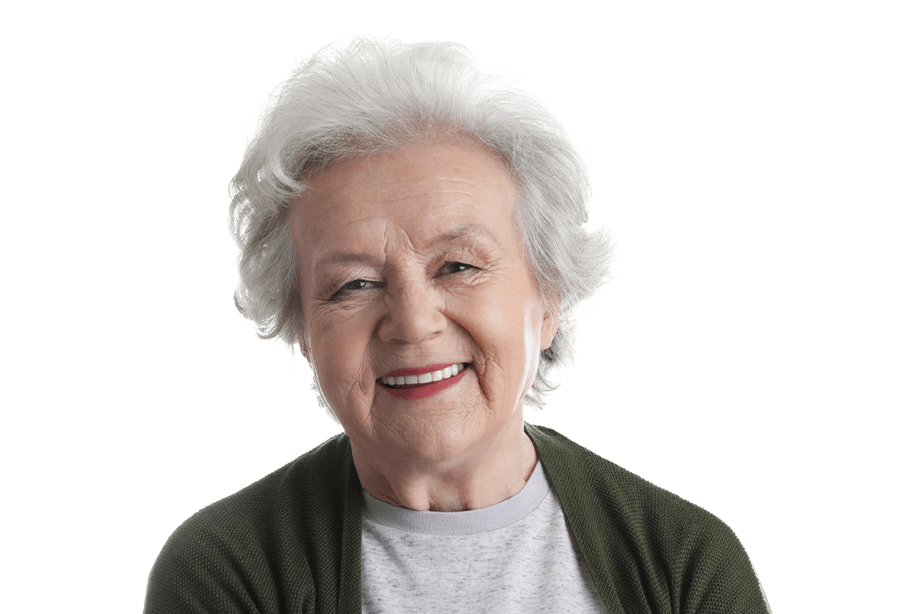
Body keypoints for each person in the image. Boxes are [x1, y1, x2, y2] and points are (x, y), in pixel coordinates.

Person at [144, 39, 771, 614]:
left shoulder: (686, 562)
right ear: (303, 329)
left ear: (548, 298)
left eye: (458, 266)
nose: (413, 324)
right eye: (354, 284)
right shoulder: (224, 570)